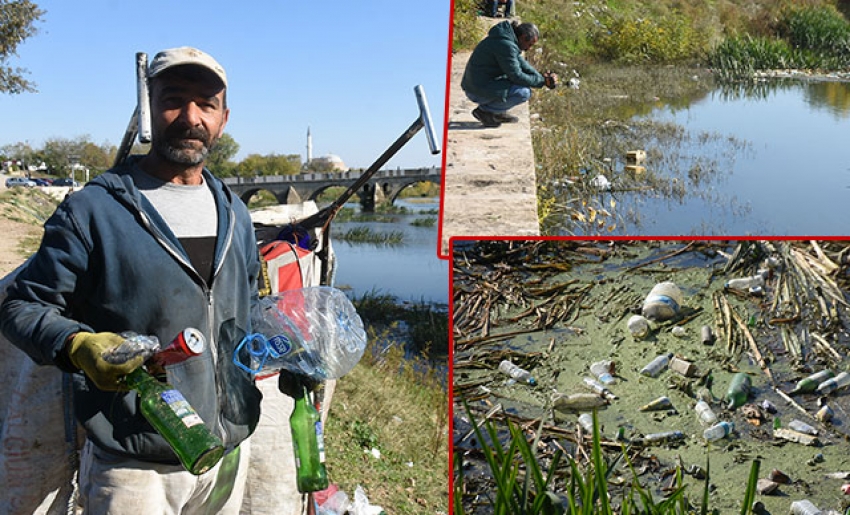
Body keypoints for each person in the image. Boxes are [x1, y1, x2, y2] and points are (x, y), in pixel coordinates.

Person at [0, 47, 272, 514]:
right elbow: (20, 306)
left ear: (223, 119)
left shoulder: (236, 214)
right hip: (134, 465)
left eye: (206, 104)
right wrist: (75, 345)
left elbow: (247, 307)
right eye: (174, 98)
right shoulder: (93, 211)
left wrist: (286, 340)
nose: (190, 117)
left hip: (227, 451)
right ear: (150, 109)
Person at [461, 21, 558, 128]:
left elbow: (522, 64)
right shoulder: (506, 45)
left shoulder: (506, 40)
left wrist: (542, 77)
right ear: (523, 37)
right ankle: (485, 111)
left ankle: (496, 112)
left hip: (479, 84)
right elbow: (516, 75)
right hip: (476, 90)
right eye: (529, 44)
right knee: (523, 92)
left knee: (514, 83)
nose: (528, 48)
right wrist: (542, 82)